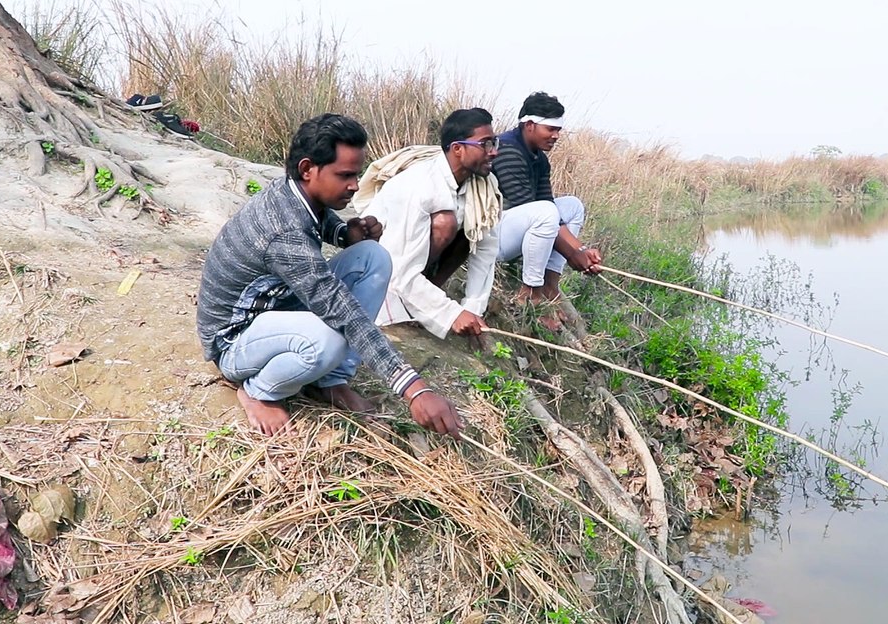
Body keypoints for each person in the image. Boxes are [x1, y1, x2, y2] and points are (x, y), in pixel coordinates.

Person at [195, 113, 464, 438]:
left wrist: (343, 234)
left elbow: (319, 220)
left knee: (372, 257)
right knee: (329, 339)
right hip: (233, 340)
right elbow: (342, 312)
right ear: (308, 169)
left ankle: (331, 381)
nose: (354, 185)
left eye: (357, 174)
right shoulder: (284, 232)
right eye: (345, 175)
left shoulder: (294, 193)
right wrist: (414, 389)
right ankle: (257, 391)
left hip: (270, 308)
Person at [353, 108, 502, 343]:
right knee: (446, 222)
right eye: (485, 144)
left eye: (494, 143)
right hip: (384, 267)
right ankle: (411, 304)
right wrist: (451, 313)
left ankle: (426, 296)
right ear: (457, 148)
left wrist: (473, 308)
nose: (493, 152)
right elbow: (399, 269)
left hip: (412, 265)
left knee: (472, 228)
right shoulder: (418, 185)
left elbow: (485, 250)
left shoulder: (483, 187)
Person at [492, 92, 602, 330]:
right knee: (545, 213)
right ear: (529, 125)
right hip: (492, 237)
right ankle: (530, 294)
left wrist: (580, 250)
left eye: (558, 130)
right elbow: (533, 209)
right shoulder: (508, 150)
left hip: (521, 225)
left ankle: (550, 286)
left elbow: (547, 204)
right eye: (550, 129)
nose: (556, 136)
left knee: (572, 206)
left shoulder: (539, 159)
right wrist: (575, 254)